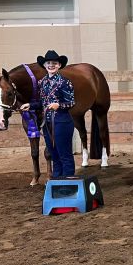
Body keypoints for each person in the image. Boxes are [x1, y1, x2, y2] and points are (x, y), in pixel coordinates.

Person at [21, 50, 76, 178]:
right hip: (47, 124)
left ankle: (68, 180)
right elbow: (42, 102)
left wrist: (59, 105)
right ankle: (57, 180)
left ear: (59, 65)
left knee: (64, 153)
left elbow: (71, 102)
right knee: (54, 153)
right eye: (49, 63)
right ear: (45, 65)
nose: (51, 65)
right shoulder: (42, 82)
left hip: (62, 122)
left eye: (54, 63)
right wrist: (30, 105)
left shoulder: (65, 82)